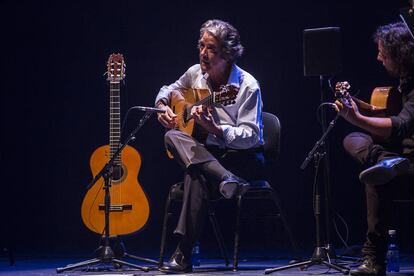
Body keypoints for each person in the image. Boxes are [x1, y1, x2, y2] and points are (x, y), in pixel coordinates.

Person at [154, 19, 264, 274]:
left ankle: (184, 252)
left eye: (211, 48)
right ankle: (224, 178)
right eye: (201, 45)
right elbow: (168, 88)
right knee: (172, 136)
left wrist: (218, 129)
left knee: (196, 173)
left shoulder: (247, 86)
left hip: (241, 158)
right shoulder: (195, 74)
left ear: (227, 53)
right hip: (211, 157)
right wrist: (162, 106)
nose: (203, 53)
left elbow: (253, 136)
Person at [335, 22, 414, 276]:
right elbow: (385, 114)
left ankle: (374, 259)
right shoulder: (404, 80)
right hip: (395, 155)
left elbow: (401, 126)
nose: (378, 57)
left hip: (411, 161)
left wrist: (356, 117)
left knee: (376, 177)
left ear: (399, 53)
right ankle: (385, 160)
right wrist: (354, 107)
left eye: (383, 52)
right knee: (354, 138)